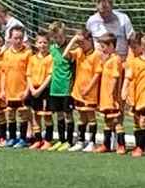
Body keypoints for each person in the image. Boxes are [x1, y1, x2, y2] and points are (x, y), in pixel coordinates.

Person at [64, 30, 102, 153]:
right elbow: (65, 55)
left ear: (90, 41)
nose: (81, 45)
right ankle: (80, 141)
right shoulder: (79, 52)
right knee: (81, 117)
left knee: (91, 117)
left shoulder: (96, 55)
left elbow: (97, 74)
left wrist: (89, 88)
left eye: (83, 42)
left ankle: (92, 142)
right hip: (78, 91)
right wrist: (73, 40)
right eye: (79, 43)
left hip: (89, 92)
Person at [1, 26, 33, 148]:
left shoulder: (28, 53)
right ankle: (12, 138)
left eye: (20, 38)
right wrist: (2, 90)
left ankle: (23, 138)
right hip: (9, 91)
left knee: (23, 115)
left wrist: (27, 90)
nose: (18, 41)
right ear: (10, 39)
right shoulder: (7, 54)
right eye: (15, 38)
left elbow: (30, 73)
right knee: (10, 115)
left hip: (22, 91)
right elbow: (4, 72)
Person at [45, 22, 75, 152]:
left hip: (66, 88)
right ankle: (61, 140)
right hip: (55, 88)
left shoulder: (70, 50)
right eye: (55, 37)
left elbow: (66, 56)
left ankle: (69, 141)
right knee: (59, 115)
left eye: (60, 37)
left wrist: (72, 40)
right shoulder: (51, 49)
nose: (58, 39)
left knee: (68, 115)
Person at [94, 33, 126, 154]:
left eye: (103, 46)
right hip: (105, 96)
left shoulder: (116, 59)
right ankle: (106, 144)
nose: (102, 49)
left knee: (117, 121)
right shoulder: (107, 59)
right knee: (107, 121)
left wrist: (112, 93)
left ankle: (121, 145)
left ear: (111, 45)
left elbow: (115, 77)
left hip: (112, 97)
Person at [26, 31, 53, 150]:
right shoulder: (32, 58)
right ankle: (38, 140)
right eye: (40, 42)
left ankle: (48, 140)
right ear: (36, 44)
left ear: (49, 44)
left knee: (46, 116)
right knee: (35, 115)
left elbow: (50, 76)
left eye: (45, 42)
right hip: (34, 89)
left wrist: (40, 90)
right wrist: (32, 89)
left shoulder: (50, 58)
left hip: (45, 90)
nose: (42, 45)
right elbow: (29, 75)